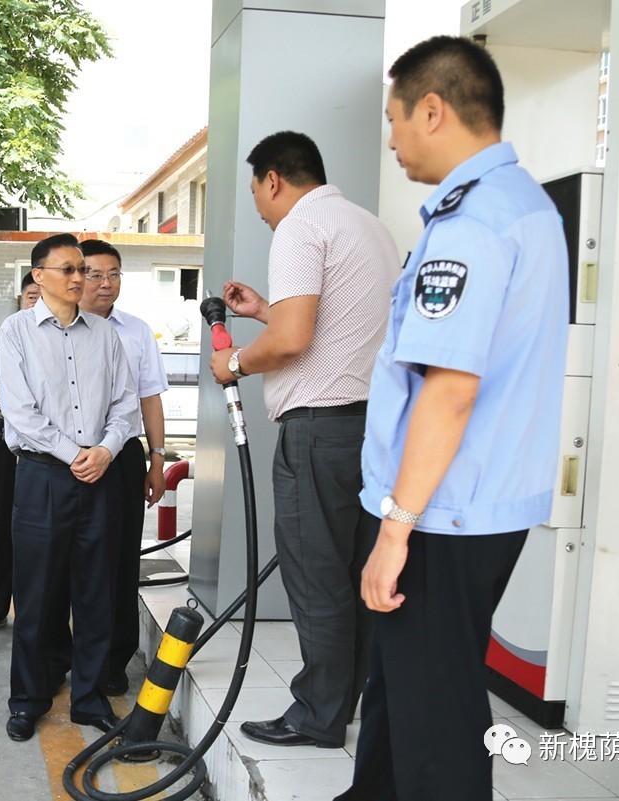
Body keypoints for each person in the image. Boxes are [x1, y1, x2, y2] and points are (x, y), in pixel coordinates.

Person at [333, 37, 569, 801]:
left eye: (395, 119)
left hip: (440, 512)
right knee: (403, 690)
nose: (393, 138)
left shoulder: (471, 223)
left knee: (437, 723)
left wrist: (395, 528)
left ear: (432, 110)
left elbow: (449, 389)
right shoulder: (523, 203)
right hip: (469, 503)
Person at [209, 131, 398, 749]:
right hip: (372, 428)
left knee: (316, 577)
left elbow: (293, 343)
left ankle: (317, 716)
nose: (262, 212)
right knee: (353, 573)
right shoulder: (368, 226)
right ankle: (343, 702)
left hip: (318, 432)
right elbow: (335, 328)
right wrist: (267, 310)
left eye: (258, 195)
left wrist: (234, 363)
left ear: (273, 180)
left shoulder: (298, 226)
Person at [0, 233, 138, 742]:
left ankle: (91, 699)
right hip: (43, 475)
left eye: (84, 269)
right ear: (39, 276)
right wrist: (74, 453)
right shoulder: (15, 333)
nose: (81, 278)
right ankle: (28, 699)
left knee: (97, 591)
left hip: (100, 474)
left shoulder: (105, 335)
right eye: (68, 270)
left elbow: (127, 403)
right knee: (36, 593)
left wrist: (105, 450)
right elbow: (18, 410)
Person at [78, 239, 169, 695]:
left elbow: (149, 398)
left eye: (113, 273)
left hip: (123, 458)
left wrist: (156, 458)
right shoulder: (55, 327)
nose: (105, 283)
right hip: (69, 457)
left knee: (118, 560)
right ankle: (65, 654)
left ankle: (114, 659)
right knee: (67, 561)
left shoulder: (136, 332)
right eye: (94, 273)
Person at [0, 272, 41, 635]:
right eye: (31, 295)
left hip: (55, 445)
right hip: (9, 435)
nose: (36, 300)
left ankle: (39, 612)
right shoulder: (9, 331)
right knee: (0, 524)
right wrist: (12, 425)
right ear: (21, 297)